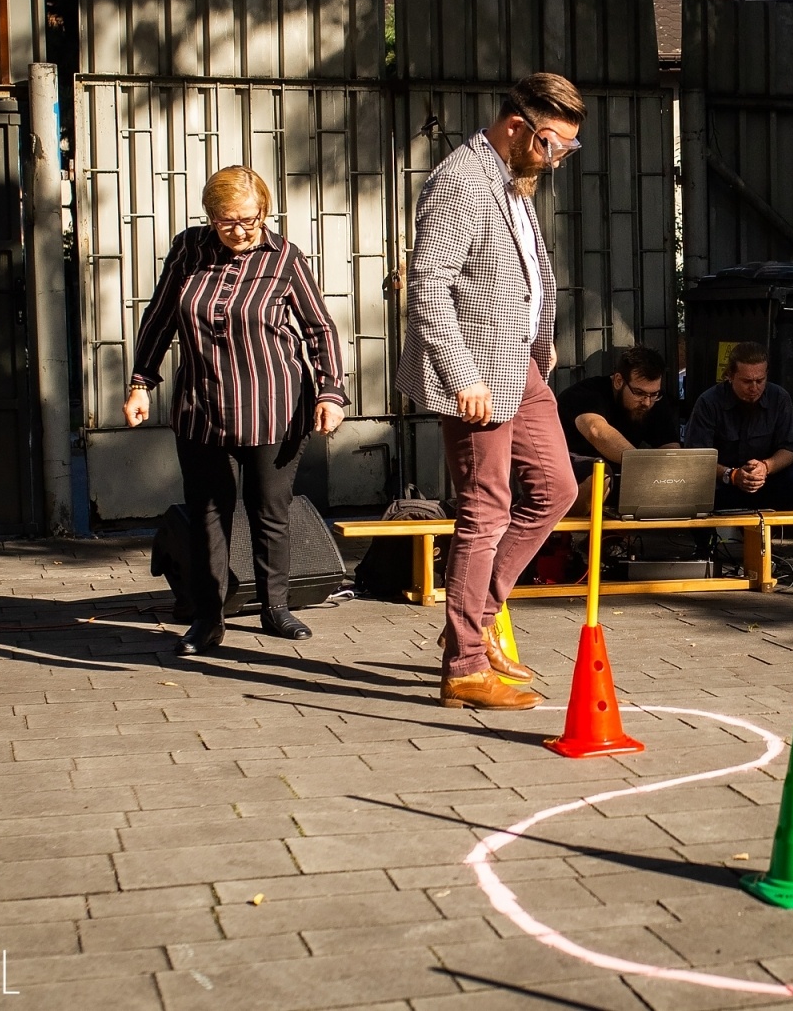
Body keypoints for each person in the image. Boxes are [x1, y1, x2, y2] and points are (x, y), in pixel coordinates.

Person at [395, 73, 584, 711]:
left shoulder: (512, 183)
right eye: (553, 144)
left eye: (565, 148)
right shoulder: (460, 179)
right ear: (516, 125)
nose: (556, 157)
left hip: (520, 366)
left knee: (558, 489)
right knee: (487, 511)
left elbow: (533, 268)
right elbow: (429, 287)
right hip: (475, 373)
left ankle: (482, 618)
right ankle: (465, 666)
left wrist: (540, 338)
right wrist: (462, 377)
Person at [125, 165, 348, 656]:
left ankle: (276, 607)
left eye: (251, 219)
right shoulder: (188, 250)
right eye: (228, 222)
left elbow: (320, 329)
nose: (242, 231)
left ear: (265, 212)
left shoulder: (284, 256)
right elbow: (159, 318)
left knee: (270, 510)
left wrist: (331, 392)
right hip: (202, 408)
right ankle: (209, 617)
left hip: (273, 405)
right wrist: (142, 383)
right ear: (210, 218)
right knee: (208, 513)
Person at [684, 341, 793, 515]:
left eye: (760, 380)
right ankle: (707, 539)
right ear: (730, 376)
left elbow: (789, 448)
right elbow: (696, 457)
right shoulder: (708, 402)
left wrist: (766, 467)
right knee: (692, 485)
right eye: (747, 381)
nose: (754, 388)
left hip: (764, 481)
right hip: (721, 483)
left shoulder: (779, 398)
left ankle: (768, 529)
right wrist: (732, 475)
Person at [556, 344, 680, 515]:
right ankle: (562, 535)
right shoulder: (586, 393)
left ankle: (611, 538)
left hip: (619, 476)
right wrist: (642, 465)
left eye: (654, 394)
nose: (646, 402)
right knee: (598, 473)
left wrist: (673, 471)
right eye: (639, 393)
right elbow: (596, 431)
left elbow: (669, 446)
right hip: (566, 473)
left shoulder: (654, 402)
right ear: (618, 381)